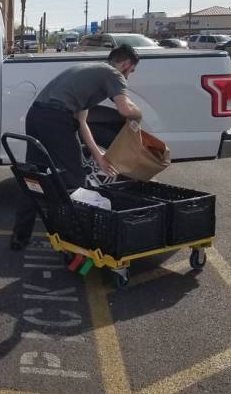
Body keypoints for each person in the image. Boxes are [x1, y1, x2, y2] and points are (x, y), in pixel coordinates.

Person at [10, 44, 143, 250]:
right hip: (56, 120)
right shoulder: (113, 74)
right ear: (125, 64)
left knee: (34, 176)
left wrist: (99, 156)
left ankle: (20, 236)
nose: (129, 77)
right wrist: (138, 115)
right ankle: (80, 239)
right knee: (74, 178)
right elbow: (125, 109)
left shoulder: (90, 73)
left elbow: (82, 123)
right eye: (131, 71)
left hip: (36, 116)